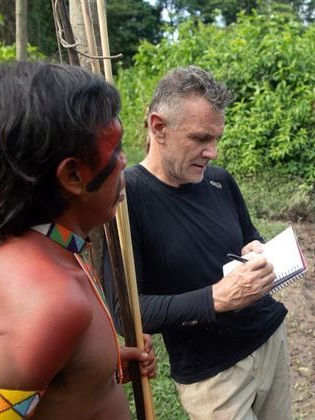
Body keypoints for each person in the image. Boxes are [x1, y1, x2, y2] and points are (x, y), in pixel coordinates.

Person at [0, 61, 156, 420]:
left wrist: (95, 364)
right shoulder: (49, 304)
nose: (124, 163)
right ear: (73, 174)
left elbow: (38, 375)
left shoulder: (40, 243)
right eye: (116, 149)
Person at [108, 65, 292, 420]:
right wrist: (216, 298)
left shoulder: (220, 181)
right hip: (212, 373)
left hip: (268, 338)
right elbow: (126, 312)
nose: (213, 152)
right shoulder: (126, 199)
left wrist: (255, 248)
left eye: (216, 139)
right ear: (158, 127)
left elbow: (249, 236)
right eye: (200, 139)